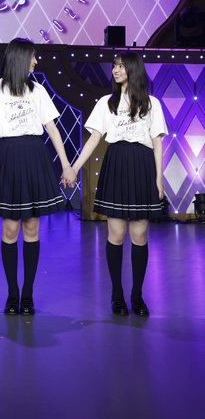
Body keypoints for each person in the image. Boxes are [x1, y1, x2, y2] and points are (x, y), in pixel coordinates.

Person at [0, 38, 76, 316]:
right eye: (33, 56)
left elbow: (53, 129)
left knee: (32, 230)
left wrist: (67, 165)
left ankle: (28, 294)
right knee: (10, 230)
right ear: (20, 58)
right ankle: (13, 293)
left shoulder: (38, 91)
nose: (36, 62)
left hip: (35, 157)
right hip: (8, 158)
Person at [72, 52, 168, 316]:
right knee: (115, 235)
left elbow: (157, 143)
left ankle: (137, 295)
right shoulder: (106, 103)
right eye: (114, 66)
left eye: (121, 66)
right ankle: (117, 294)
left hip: (142, 166)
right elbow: (94, 138)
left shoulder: (152, 103)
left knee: (139, 236)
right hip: (116, 164)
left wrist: (158, 178)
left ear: (133, 69)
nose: (115, 70)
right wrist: (74, 168)